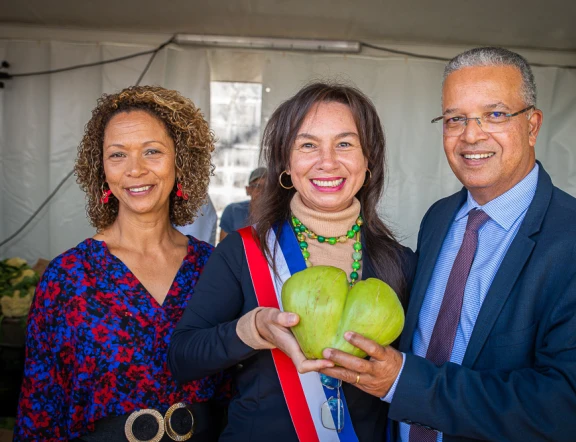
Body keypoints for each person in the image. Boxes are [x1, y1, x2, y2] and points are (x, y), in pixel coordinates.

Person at [318, 47, 576, 441]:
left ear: (533, 126)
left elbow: (566, 407)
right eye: (455, 119)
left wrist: (404, 382)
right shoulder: (439, 218)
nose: (471, 135)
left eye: (495, 115)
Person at [168, 82, 417, 441]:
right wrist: (252, 329)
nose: (327, 161)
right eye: (307, 145)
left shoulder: (400, 263)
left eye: (345, 144)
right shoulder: (244, 251)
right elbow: (183, 357)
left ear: (369, 161)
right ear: (285, 163)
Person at [14, 85, 230, 441]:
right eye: (118, 155)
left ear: (181, 160)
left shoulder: (213, 267)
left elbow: (239, 391)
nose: (135, 169)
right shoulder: (68, 277)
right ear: (101, 168)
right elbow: (40, 408)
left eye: (152, 151)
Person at [217, 167, 266, 242]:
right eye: (257, 186)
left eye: (267, 187)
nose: (262, 191)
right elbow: (223, 249)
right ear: (248, 189)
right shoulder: (232, 211)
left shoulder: (278, 215)